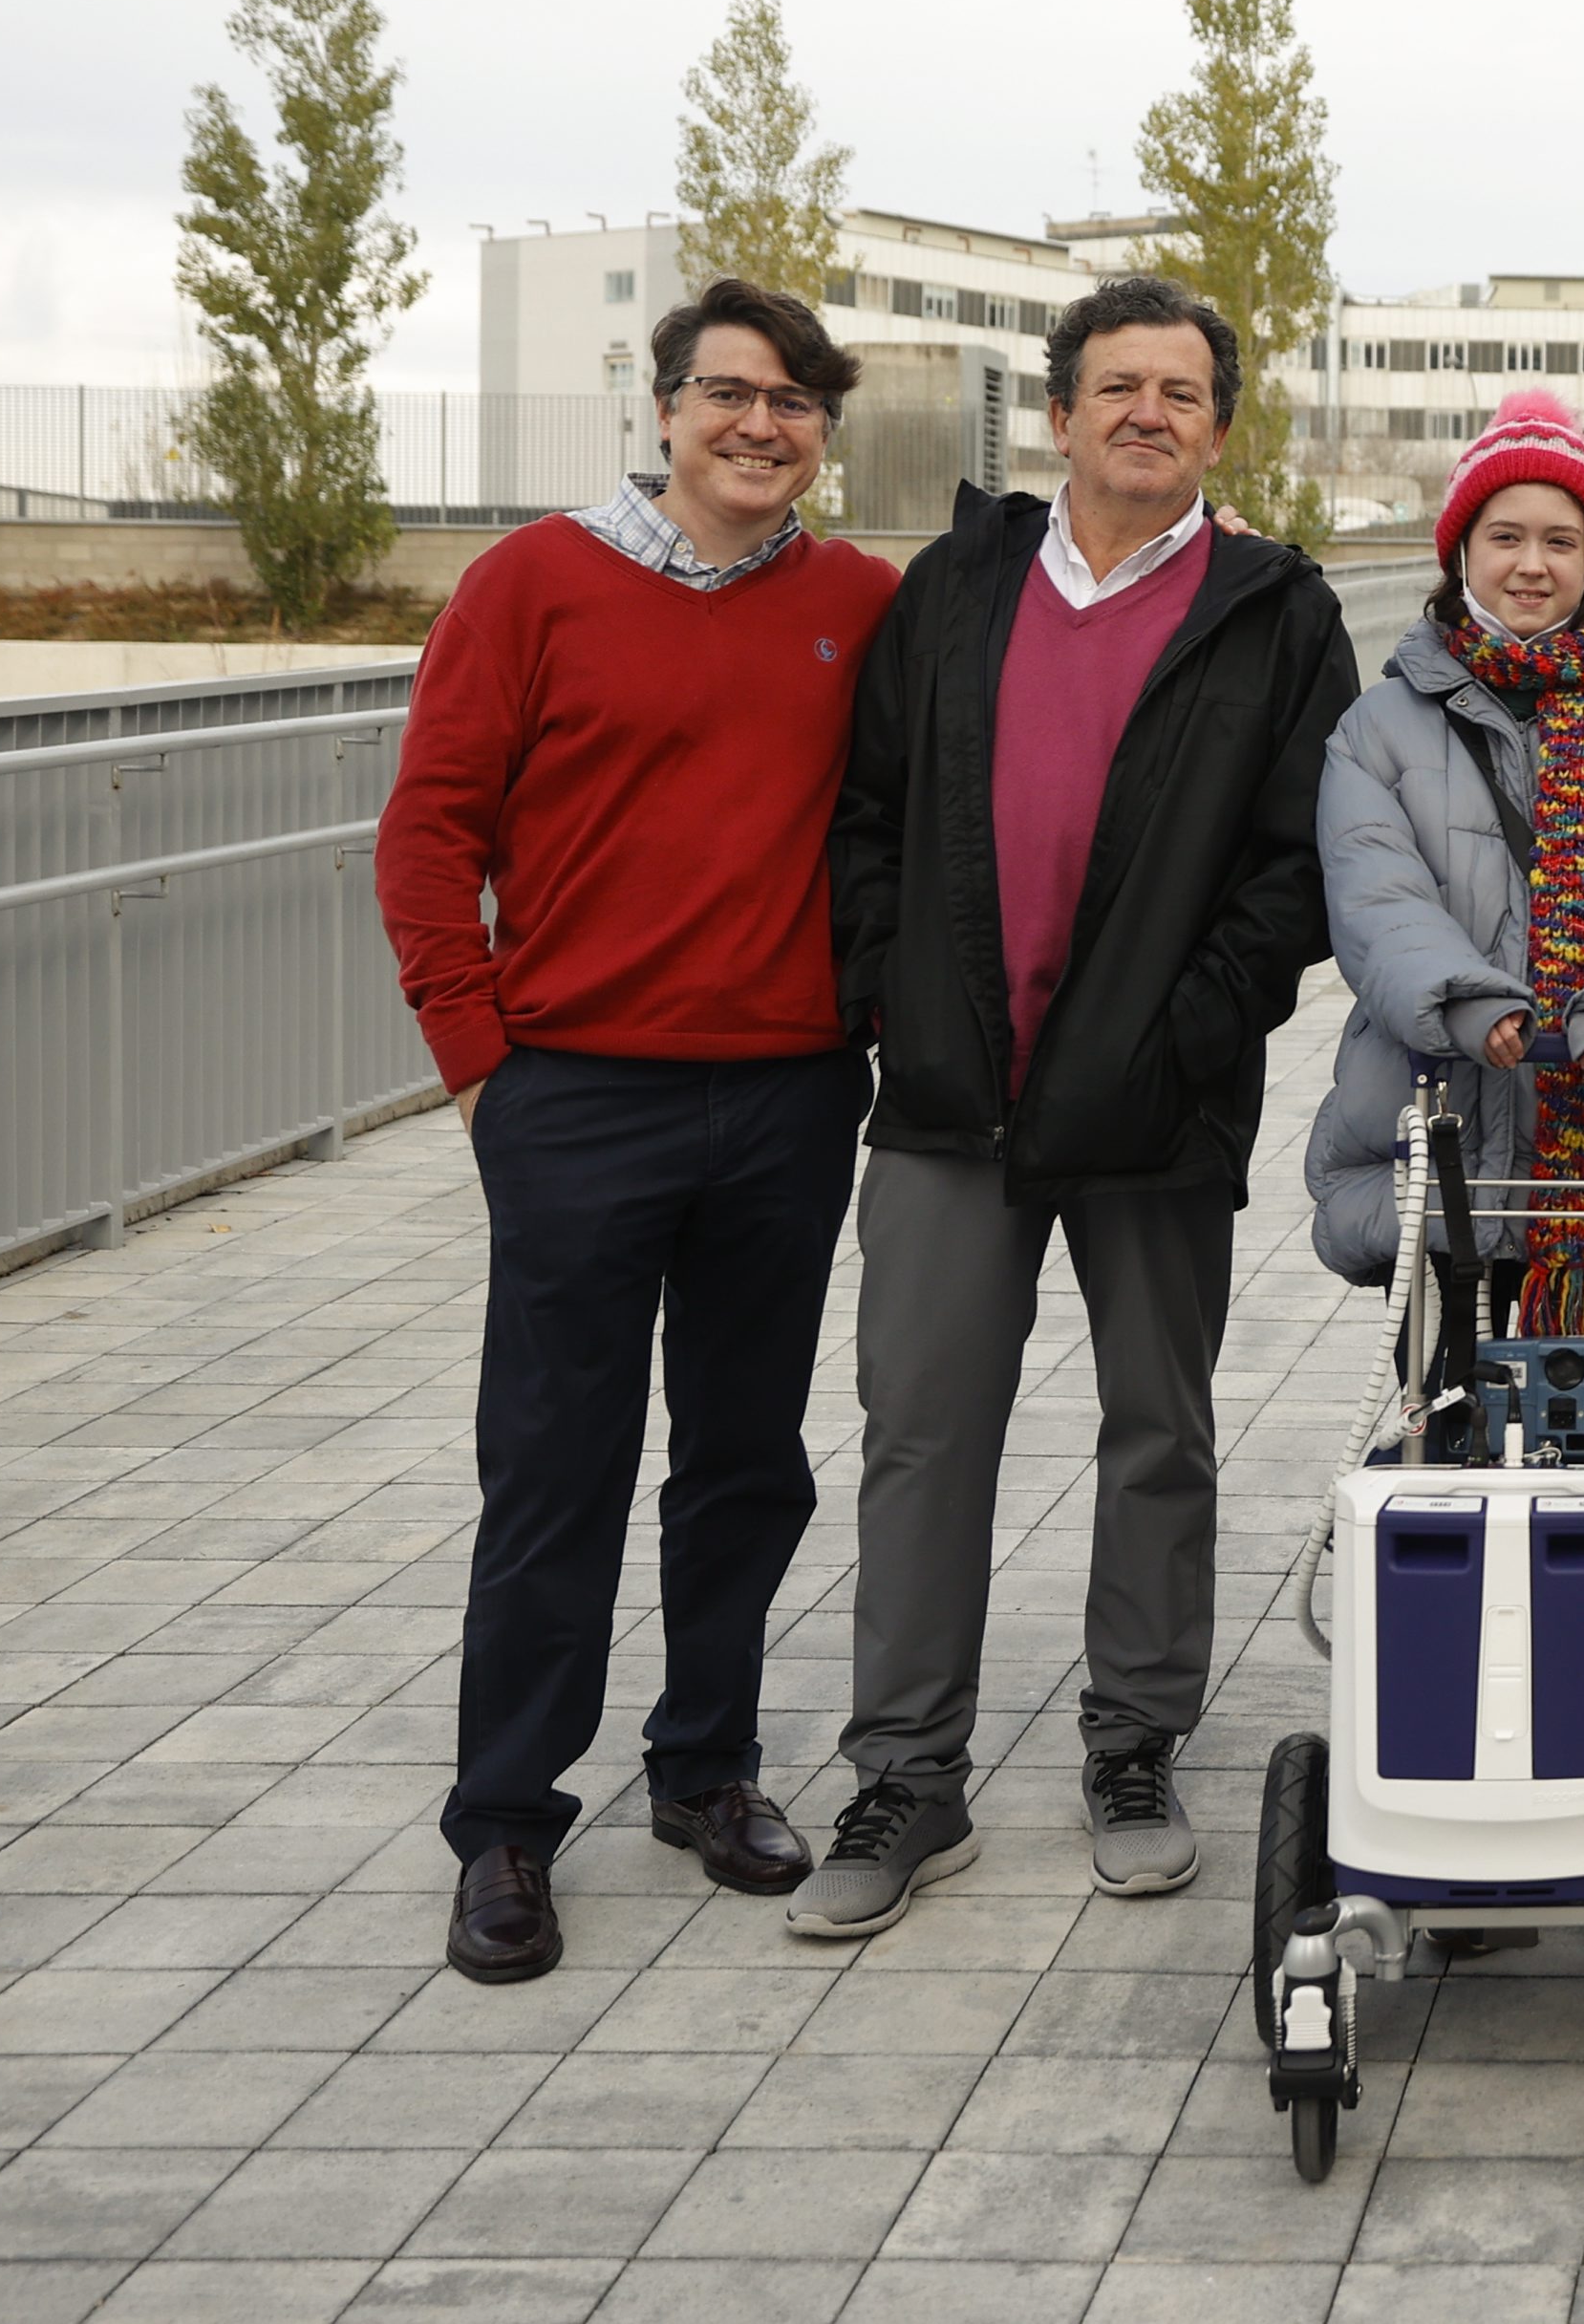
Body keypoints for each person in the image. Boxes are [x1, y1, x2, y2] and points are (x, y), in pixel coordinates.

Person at [791, 277, 1357, 1937]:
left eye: (1183, 394)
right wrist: (890, 1004)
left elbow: (1294, 866)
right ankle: (906, 1775)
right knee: (922, 1436)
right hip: (954, 1100)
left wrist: (1185, 1033)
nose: (1148, 415)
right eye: (1119, 386)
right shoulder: (954, 588)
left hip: (1154, 1104)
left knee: (1159, 1435)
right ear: (1060, 414)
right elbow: (869, 814)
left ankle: (1134, 1745)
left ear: (1219, 430)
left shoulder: (1274, 611)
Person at [375, 278, 897, 1982]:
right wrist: (484, 1071)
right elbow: (428, 833)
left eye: (796, 403)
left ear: (822, 431)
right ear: (663, 409)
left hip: (790, 1096)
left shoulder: (859, 605)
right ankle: (507, 1821)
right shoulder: (531, 584)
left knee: (746, 1463)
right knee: (556, 1467)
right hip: (577, 1097)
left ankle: (707, 1768)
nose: (762, 425)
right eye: (731, 394)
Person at [1304, 379, 1584, 1515]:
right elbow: (1374, 891)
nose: (1531, 564)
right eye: (1505, 536)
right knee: (1440, 1454)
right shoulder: (1379, 724)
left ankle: (1580, 1687)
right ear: (1461, 552)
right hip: (1437, 1134)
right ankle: (1448, 1688)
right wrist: (1469, 1005)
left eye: (1560, 538)